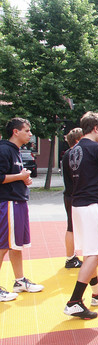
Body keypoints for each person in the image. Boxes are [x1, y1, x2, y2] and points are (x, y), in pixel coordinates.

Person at [63, 112, 98, 320]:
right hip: (94, 203)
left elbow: (70, 183)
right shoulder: (96, 148)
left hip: (77, 204)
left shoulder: (71, 152)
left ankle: (97, 293)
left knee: (89, 251)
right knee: (97, 252)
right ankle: (75, 300)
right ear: (95, 128)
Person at [0, 118, 44, 302]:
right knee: (2, 246)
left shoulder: (16, 151)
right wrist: (20, 176)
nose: (30, 134)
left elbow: (14, 176)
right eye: (27, 130)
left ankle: (19, 281)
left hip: (17, 202)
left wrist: (23, 178)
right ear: (15, 132)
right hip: (8, 203)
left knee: (15, 244)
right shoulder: (4, 150)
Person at [62, 127, 83, 269]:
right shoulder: (74, 154)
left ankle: (71, 256)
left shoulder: (67, 154)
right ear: (77, 140)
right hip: (74, 195)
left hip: (71, 195)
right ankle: (70, 258)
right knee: (71, 227)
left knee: (72, 226)